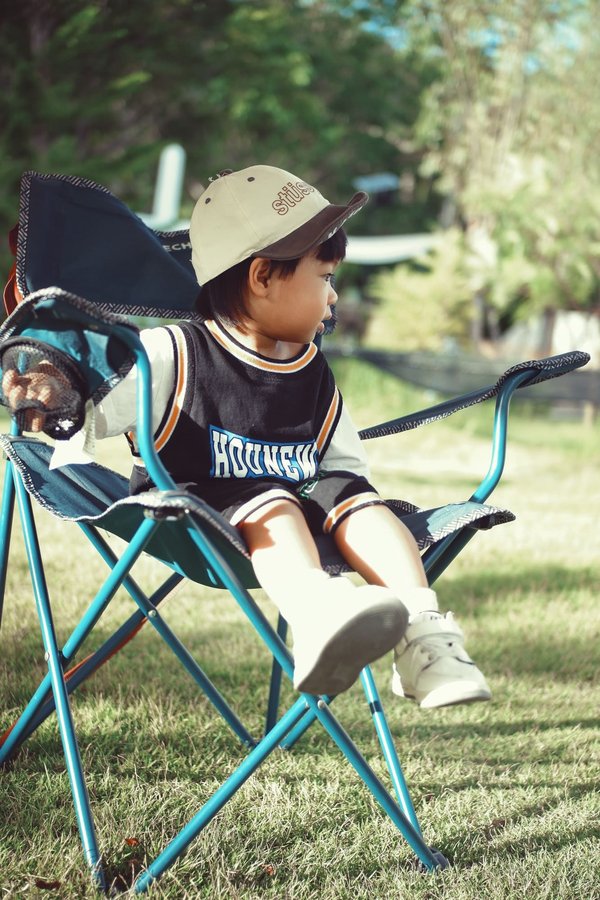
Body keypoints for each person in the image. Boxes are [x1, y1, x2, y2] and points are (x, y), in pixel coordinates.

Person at [2, 164, 491, 707]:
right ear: (261, 277)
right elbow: (100, 407)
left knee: (358, 499)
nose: (334, 298)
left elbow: (345, 465)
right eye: (324, 278)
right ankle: (317, 615)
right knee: (272, 500)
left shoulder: (311, 369)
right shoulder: (175, 351)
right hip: (191, 513)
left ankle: (423, 640)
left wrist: (350, 504)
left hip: (295, 513)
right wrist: (55, 396)